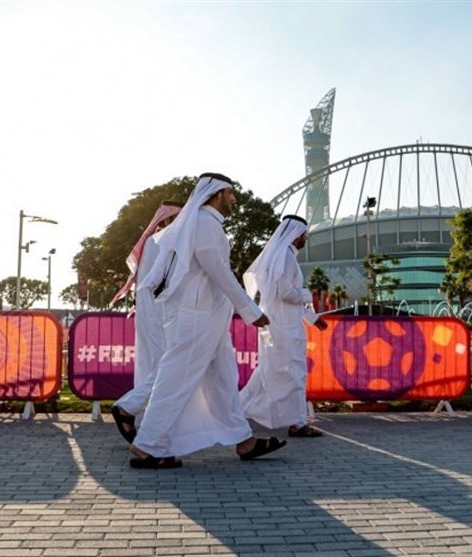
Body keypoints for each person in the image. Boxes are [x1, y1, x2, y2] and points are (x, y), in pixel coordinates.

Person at [129, 172, 287, 469]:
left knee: (223, 379)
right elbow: (219, 273)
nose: (234, 199)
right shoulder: (204, 224)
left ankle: (243, 440)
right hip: (196, 318)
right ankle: (148, 445)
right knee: (175, 378)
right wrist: (250, 311)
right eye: (230, 193)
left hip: (209, 318)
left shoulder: (204, 225)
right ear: (216, 194)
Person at [240, 215, 328, 438]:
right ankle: (297, 424)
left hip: (273, 326)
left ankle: (235, 411)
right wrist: (308, 295)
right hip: (284, 329)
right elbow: (285, 293)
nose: (305, 239)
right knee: (294, 373)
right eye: (304, 235)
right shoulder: (286, 257)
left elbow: (280, 298)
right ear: (295, 234)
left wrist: (311, 317)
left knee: (267, 371)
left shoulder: (276, 256)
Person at [109, 200, 183, 443]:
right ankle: (129, 409)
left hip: (149, 313)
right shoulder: (166, 241)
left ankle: (147, 422)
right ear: (166, 219)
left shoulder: (153, 241)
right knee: (169, 366)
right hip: (163, 314)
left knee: (152, 366)